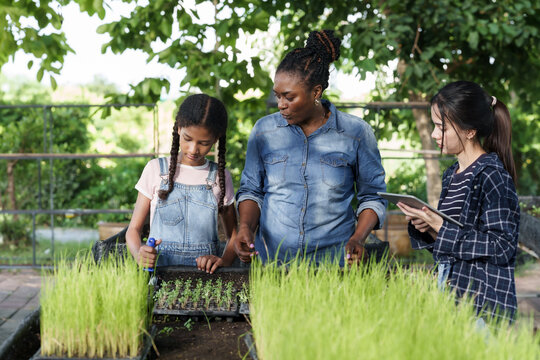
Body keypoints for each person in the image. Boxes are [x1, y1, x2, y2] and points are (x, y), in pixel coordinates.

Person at [234, 30, 387, 266]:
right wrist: (245, 227)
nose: (281, 105)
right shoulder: (264, 131)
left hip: (334, 260)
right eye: (277, 96)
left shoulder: (356, 133)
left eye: (289, 97)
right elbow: (252, 190)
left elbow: (372, 197)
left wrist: (358, 238)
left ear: (316, 92)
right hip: (273, 261)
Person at [396, 81, 520, 322]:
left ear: (469, 131)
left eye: (441, 127)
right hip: (450, 294)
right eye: (434, 125)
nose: (434, 134)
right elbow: (454, 245)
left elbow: (502, 246)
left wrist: (441, 227)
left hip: (483, 304)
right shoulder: (451, 174)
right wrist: (428, 228)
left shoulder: (493, 175)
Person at [126, 94, 238, 274]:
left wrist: (222, 261)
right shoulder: (155, 169)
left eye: (203, 143)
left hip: (206, 280)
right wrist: (139, 252)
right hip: (158, 276)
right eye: (187, 139)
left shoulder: (220, 177)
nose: (194, 149)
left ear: (216, 139)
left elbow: (234, 236)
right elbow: (133, 230)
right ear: (178, 128)